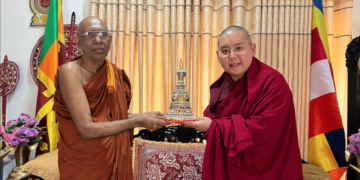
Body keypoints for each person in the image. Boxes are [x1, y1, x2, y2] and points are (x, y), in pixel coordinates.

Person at [54, 16, 169, 180]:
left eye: (103, 34)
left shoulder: (114, 74)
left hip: (113, 159)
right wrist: (138, 121)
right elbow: (86, 129)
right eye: (90, 35)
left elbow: (108, 117)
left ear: (110, 40)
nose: (98, 40)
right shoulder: (70, 71)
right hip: (83, 165)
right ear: (78, 42)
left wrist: (146, 116)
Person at [183, 26, 303, 180]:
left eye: (238, 48)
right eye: (225, 51)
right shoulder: (220, 87)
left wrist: (213, 126)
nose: (232, 56)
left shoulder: (273, 83)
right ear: (218, 55)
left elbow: (266, 132)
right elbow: (213, 118)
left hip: (268, 171)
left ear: (253, 49)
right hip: (230, 167)